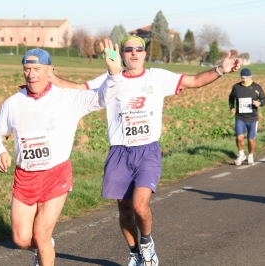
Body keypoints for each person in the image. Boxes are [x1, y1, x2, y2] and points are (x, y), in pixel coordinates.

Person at [51, 35, 240, 266]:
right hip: (119, 152)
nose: (134, 53)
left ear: (144, 53)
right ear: (121, 54)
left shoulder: (157, 77)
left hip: (147, 151)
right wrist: (48, 76)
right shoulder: (111, 79)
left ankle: (147, 244)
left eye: (138, 49)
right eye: (128, 49)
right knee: (125, 210)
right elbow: (78, 89)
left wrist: (221, 69)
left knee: (140, 204)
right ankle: (134, 253)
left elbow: (194, 81)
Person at [0, 41, 123, 266]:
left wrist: (114, 72)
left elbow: (102, 97)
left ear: (50, 70)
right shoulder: (13, 104)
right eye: (27, 70)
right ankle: (44, 247)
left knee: (41, 234)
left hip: (56, 174)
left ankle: (44, 245)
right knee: (21, 239)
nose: (31, 75)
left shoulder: (67, 98)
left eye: (37, 69)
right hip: (25, 177)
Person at [229, 68, 265, 166]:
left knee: (250, 139)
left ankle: (250, 155)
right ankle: (241, 154)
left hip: (252, 119)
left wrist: (259, 103)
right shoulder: (236, 87)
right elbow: (231, 98)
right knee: (239, 137)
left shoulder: (256, 87)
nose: (244, 80)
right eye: (243, 78)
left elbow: (264, 100)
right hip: (240, 117)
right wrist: (232, 107)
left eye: (247, 78)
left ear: (250, 77)